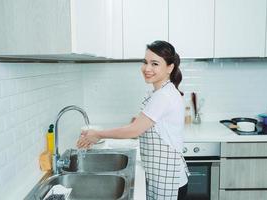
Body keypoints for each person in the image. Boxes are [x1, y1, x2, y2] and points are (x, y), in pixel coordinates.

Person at [77, 40, 189, 200]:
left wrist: (98, 134)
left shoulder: (163, 96)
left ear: (169, 68)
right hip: (164, 176)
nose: (147, 68)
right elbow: (143, 125)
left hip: (168, 179)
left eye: (155, 63)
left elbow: (134, 130)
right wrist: (137, 122)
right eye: (145, 62)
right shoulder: (162, 91)